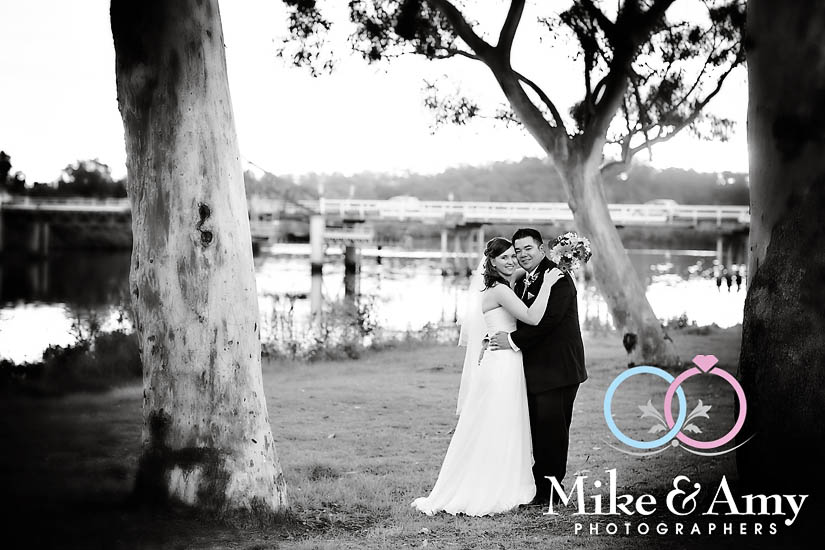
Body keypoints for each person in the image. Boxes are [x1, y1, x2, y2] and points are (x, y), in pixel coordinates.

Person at [411, 237, 563, 516]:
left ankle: (505, 479)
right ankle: (489, 486)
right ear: (491, 261)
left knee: (505, 422)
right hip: (502, 365)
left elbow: (529, 270)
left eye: (513, 256)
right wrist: (549, 283)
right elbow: (532, 317)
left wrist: (559, 259)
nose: (511, 261)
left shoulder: (506, 282)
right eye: (504, 257)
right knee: (498, 422)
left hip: (507, 361)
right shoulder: (499, 291)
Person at [489, 228, 588, 505]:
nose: (522, 255)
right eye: (518, 250)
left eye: (528, 249)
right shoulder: (524, 279)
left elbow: (547, 323)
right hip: (536, 370)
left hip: (559, 370)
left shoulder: (558, 278)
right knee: (538, 432)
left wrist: (511, 340)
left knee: (553, 433)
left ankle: (552, 492)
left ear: (541, 249)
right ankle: (538, 486)